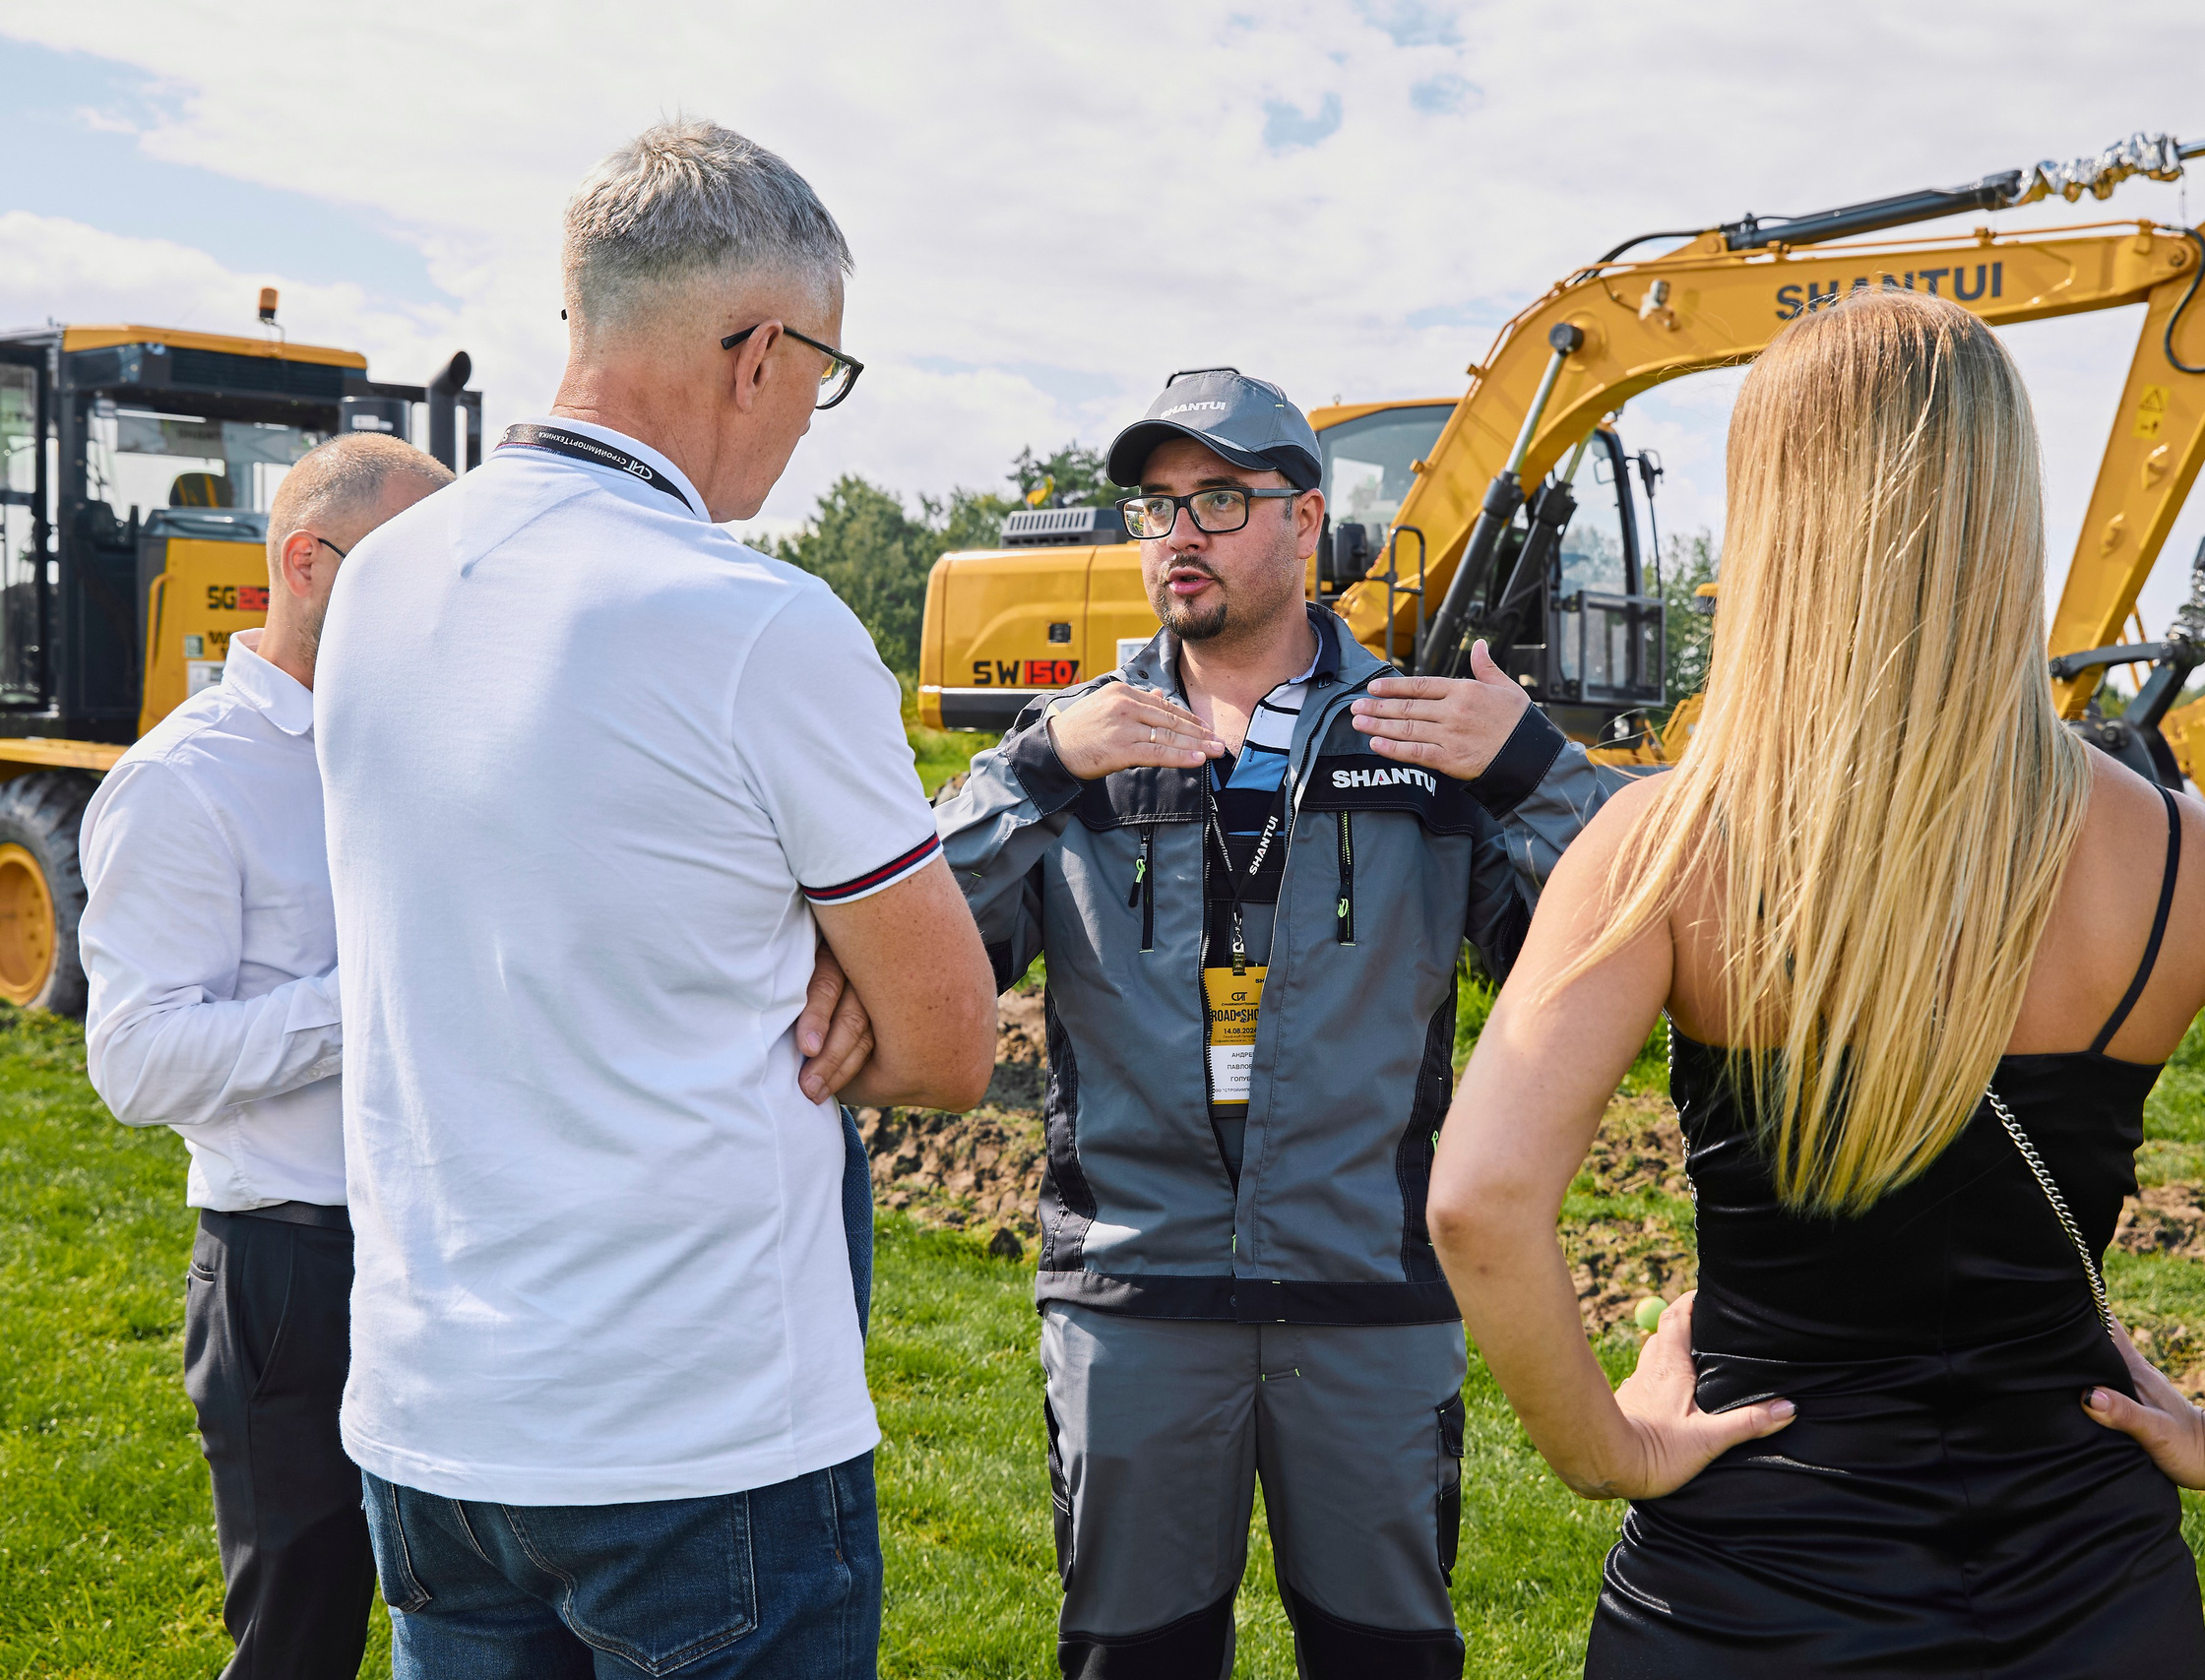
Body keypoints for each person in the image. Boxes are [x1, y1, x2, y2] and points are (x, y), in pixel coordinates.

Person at [1426, 287, 2205, 1678]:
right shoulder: (2185, 862)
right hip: (2089, 1599)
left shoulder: (1667, 843)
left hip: (1747, 1593)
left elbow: (1478, 1199)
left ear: (1775, 523)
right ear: (2007, 509)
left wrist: (1610, 1446)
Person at [314, 119, 994, 1677]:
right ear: (759, 353)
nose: (810, 418)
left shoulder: (383, 583)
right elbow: (951, 1041)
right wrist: (814, 995)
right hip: (697, 1430)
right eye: (822, 374)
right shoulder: (755, 620)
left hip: (430, 1412)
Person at [934, 367, 1642, 1677]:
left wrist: (1537, 765)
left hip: (1365, 1303)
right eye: (1156, 506)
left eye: (1218, 497)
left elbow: (1633, 924)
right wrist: (1033, 770)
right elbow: (919, 932)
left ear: (1305, 525)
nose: (1179, 534)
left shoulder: (1419, 742)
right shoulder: (1077, 743)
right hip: (1134, 1301)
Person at [79, 432, 453, 1679]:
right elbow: (135, 1063)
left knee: (468, 1610)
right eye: (417, 571)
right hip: (291, 1271)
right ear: (305, 561)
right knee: (301, 1633)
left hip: (450, 1243)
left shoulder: (430, 752)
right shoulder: (184, 784)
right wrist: (374, 1000)